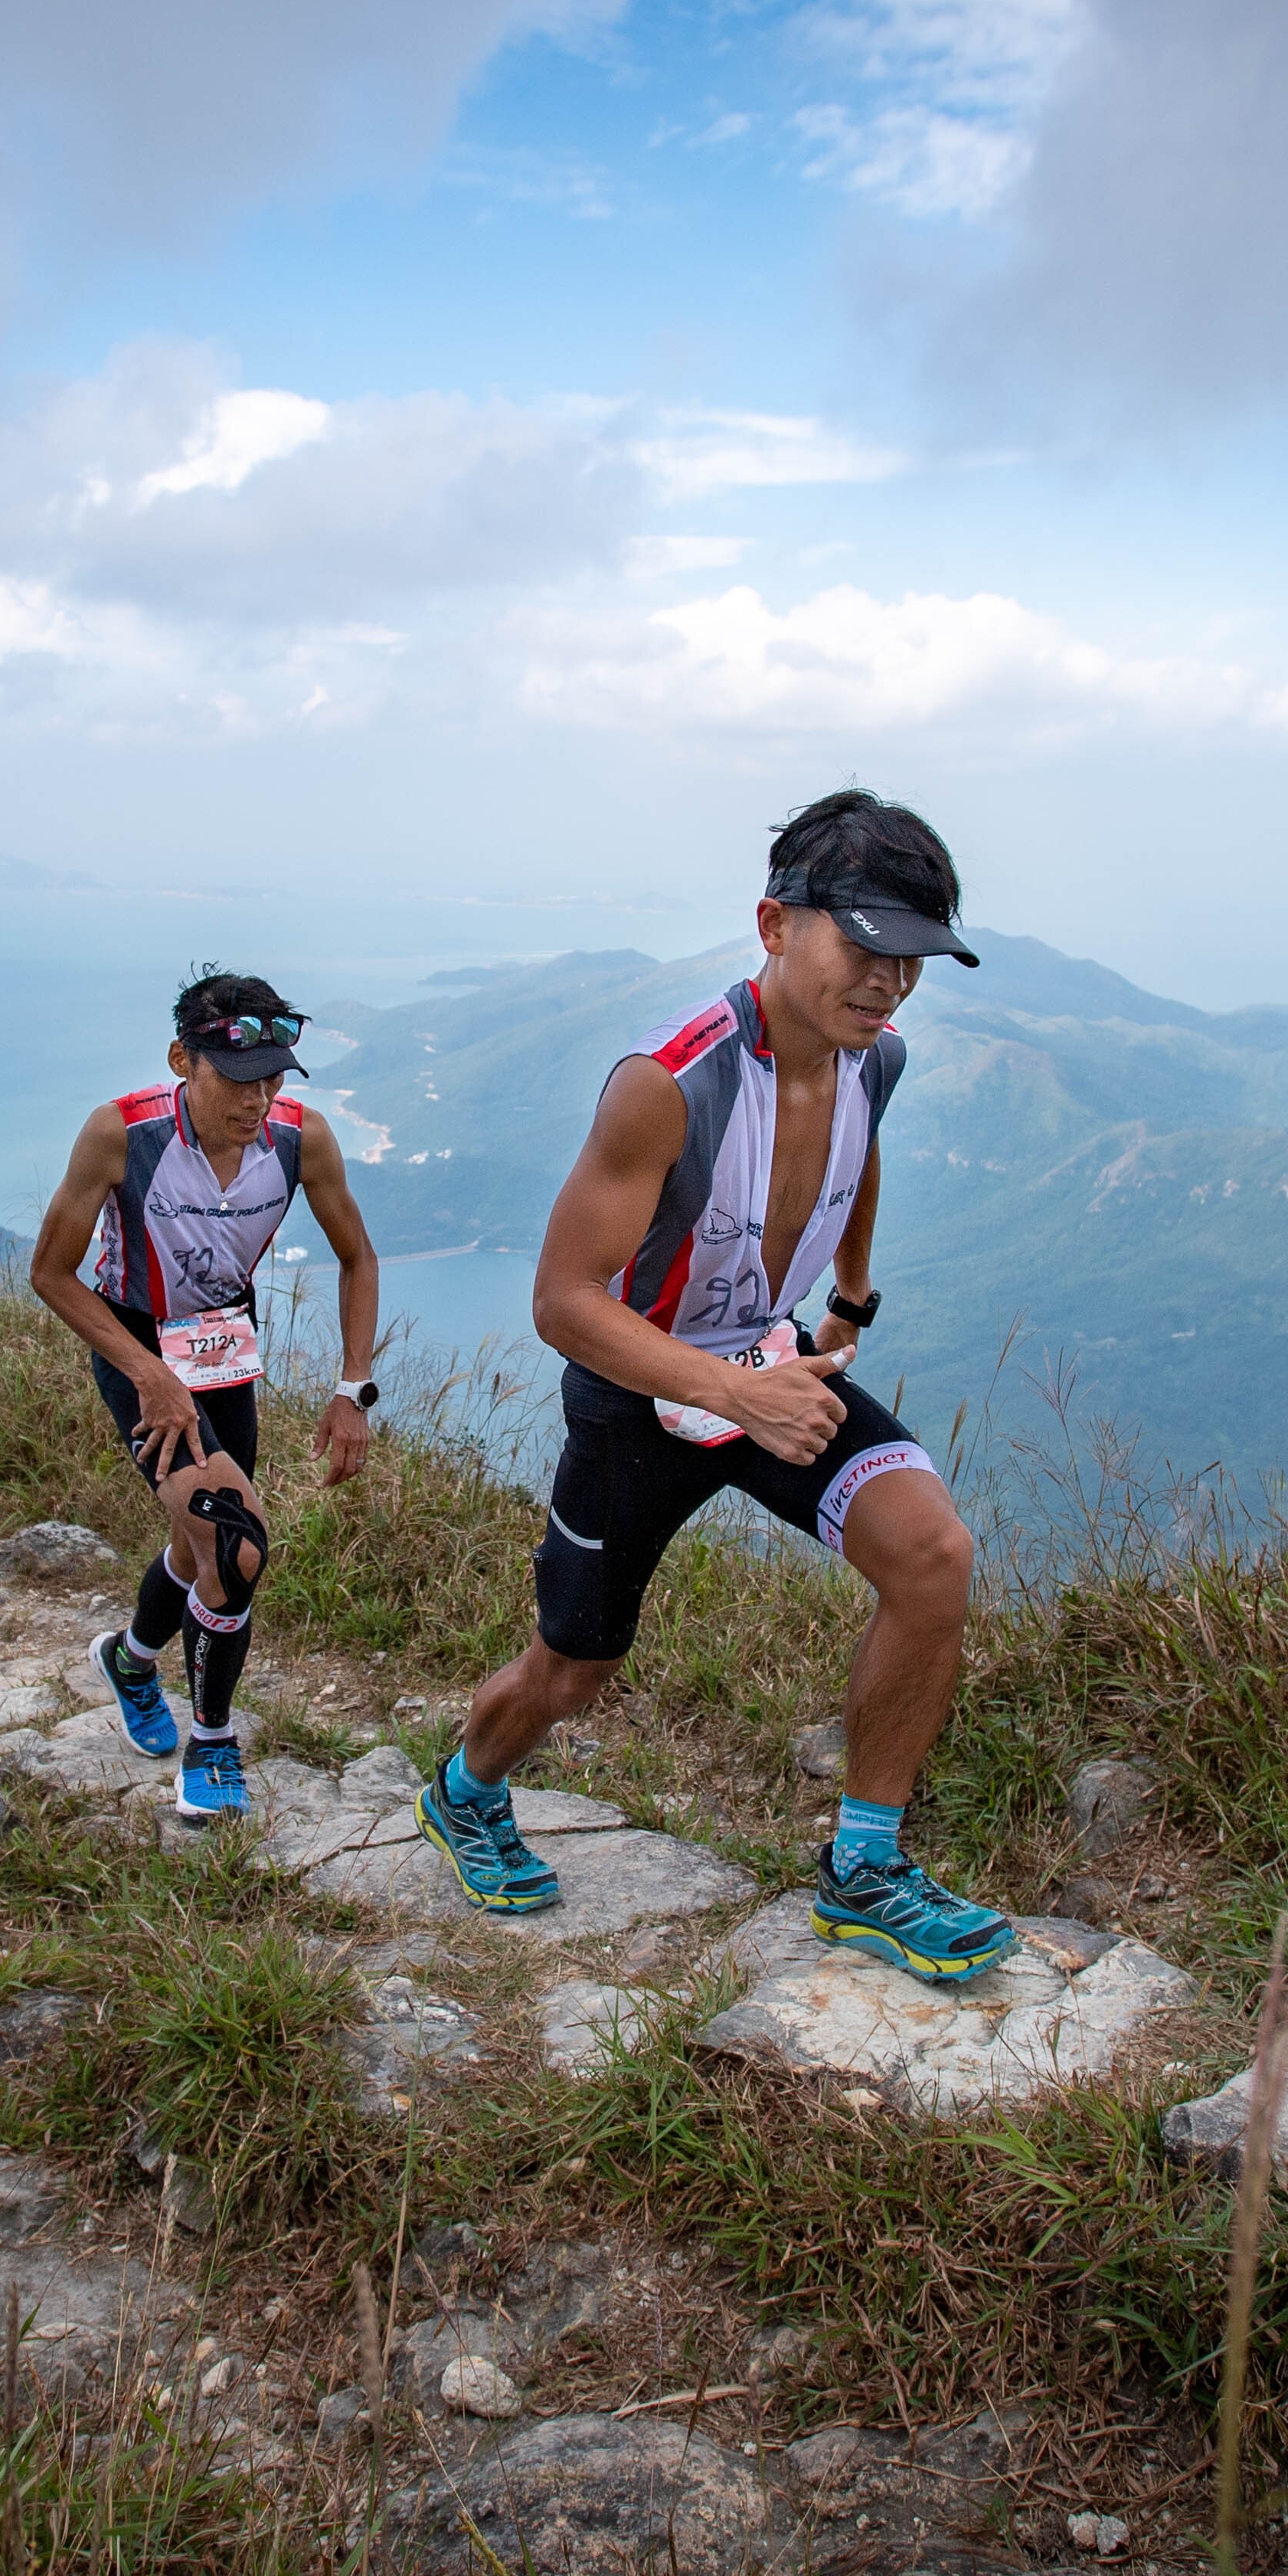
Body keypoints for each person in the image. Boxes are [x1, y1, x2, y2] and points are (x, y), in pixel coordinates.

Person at [417, 790, 1015, 1980]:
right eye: (865, 945)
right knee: (573, 1668)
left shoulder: (870, 1059)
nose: (889, 982)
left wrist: (846, 1300)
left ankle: (864, 1868)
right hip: (637, 1389)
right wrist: (735, 1393)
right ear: (772, 923)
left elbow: (861, 1160)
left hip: (770, 1366)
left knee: (931, 1555)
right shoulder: (667, 1084)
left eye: (913, 958)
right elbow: (562, 1301)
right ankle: (464, 1787)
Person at [27, 970, 381, 1825]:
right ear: (182, 1059)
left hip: (223, 1341)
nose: (257, 1099)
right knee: (238, 1543)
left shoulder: (303, 1139)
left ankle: (130, 1659)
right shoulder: (120, 1132)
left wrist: (350, 1390)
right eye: (237, 1078)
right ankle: (213, 1744)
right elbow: (49, 1273)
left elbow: (357, 1257)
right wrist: (148, 1373)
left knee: (200, 1549)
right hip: (135, 1340)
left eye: (272, 1078)